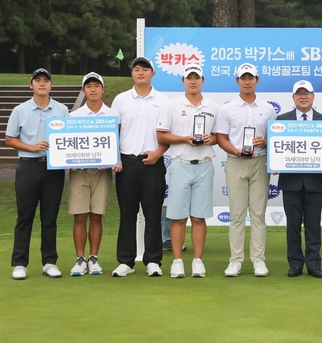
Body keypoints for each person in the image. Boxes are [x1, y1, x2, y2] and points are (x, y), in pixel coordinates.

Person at [156, 64, 219, 278]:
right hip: (180, 163)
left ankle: (197, 261)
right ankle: (177, 262)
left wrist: (211, 139)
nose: (193, 81)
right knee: (178, 217)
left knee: (199, 217)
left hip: (204, 164)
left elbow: (218, 136)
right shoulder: (171, 105)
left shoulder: (213, 106)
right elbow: (161, 135)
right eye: (189, 78)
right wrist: (184, 139)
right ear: (183, 81)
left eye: (196, 77)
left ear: (203, 80)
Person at [5, 68, 69, 280]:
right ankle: (19, 263)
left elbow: (69, 138)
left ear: (51, 85)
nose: (42, 84)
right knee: (25, 216)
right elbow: (10, 139)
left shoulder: (61, 110)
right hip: (29, 167)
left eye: (46, 80)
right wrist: (32, 147)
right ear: (30, 85)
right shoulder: (20, 110)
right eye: (38, 80)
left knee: (49, 218)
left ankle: (49, 262)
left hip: (54, 169)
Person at [215, 63, 277, 277]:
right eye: (243, 78)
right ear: (237, 81)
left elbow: (275, 137)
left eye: (251, 78)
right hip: (236, 162)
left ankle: (258, 260)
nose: (247, 81)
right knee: (237, 214)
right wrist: (236, 151)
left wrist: (265, 141)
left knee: (258, 214)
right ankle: (235, 260)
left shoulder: (268, 108)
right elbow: (221, 138)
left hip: (260, 161)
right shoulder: (227, 108)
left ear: (257, 80)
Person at [110, 57, 169, 277]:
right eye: (136, 69)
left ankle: (153, 260)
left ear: (153, 73)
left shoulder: (164, 101)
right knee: (128, 214)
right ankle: (126, 261)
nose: (140, 72)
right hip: (127, 163)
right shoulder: (121, 99)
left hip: (154, 161)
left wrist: (158, 154)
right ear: (132, 73)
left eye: (145, 69)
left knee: (153, 214)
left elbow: (168, 134)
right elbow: (112, 131)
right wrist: (115, 158)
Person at [277, 80, 322, 279]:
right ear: (293, 97)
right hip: (290, 182)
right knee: (292, 225)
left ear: (313, 96)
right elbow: (276, 148)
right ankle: (295, 263)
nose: (303, 96)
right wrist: (275, 162)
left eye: (306, 93)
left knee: (313, 225)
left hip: (314, 182)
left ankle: (314, 263)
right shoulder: (281, 120)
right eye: (299, 93)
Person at [68, 72, 114, 276]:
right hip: (79, 173)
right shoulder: (73, 116)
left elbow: (117, 143)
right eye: (89, 86)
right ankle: (80, 259)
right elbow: (68, 145)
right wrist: (68, 162)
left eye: (96, 86)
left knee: (96, 215)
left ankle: (93, 258)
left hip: (102, 173)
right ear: (83, 90)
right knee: (80, 215)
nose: (93, 89)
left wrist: (112, 160)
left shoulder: (112, 115)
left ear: (103, 89)